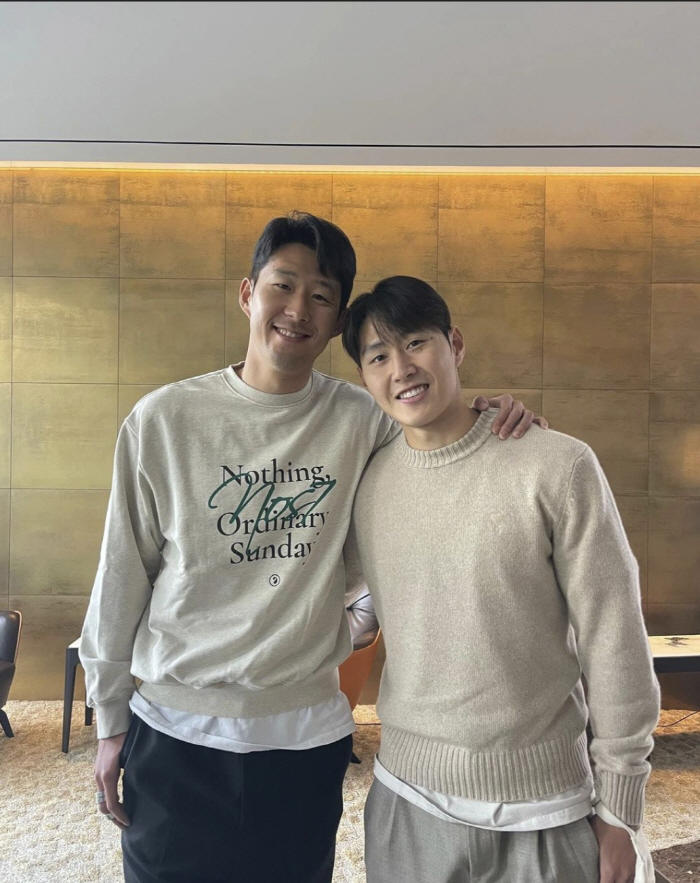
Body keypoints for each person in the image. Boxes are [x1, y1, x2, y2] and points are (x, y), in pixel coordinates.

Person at [79, 212, 541, 883]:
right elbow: (122, 574)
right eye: (283, 285)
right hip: (176, 730)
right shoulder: (165, 420)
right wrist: (109, 720)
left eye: (321, 295)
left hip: (304, 738)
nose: (298, 309)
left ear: (337, 321)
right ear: (248, 293)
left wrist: (495, 418)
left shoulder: (364, 420)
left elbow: (443, 449)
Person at [342, 276, 661, 883]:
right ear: (364, 377)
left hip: (547, 806)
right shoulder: (368, 483)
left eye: (416, 342)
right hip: (407, 802)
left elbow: (614, 635)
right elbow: (334, 597)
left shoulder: (556, 464)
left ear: (455, 344)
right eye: (379, 356)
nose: (401, 368)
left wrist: (620, 809)